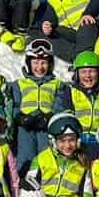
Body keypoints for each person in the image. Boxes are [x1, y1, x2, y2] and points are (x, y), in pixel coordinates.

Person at [56, 52, 99, 156]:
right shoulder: (71, 92)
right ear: (77, 74)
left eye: (92, 71)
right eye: (83, 72)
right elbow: (67, 120)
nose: (88, 76)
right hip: (78, 141)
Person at [8, 37, 60, 168]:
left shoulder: (58, 84)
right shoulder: (19, 84)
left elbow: (60, 105)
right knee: (25, 152)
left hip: (46, 126)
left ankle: (47, 178)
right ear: (29, 63)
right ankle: (23, 176)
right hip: (25, 125)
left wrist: (50, 117)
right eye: (35, 62)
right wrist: (19, 117)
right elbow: (13, 104)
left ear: (50, 64)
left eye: (44, 63)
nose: (39, 67)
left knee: (46, 153)